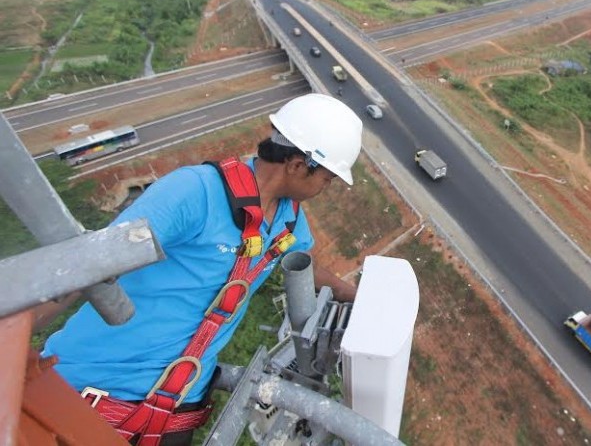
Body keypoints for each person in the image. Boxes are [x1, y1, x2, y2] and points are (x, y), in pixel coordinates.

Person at [42, 93, 363, 445]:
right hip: (92, 393)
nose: (325, 188)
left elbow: (305, 267)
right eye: (327, 179)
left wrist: (356, 296)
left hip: (176, 411)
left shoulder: (288, 222)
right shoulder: (195, 192)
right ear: (299, 165)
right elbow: (87, 265)